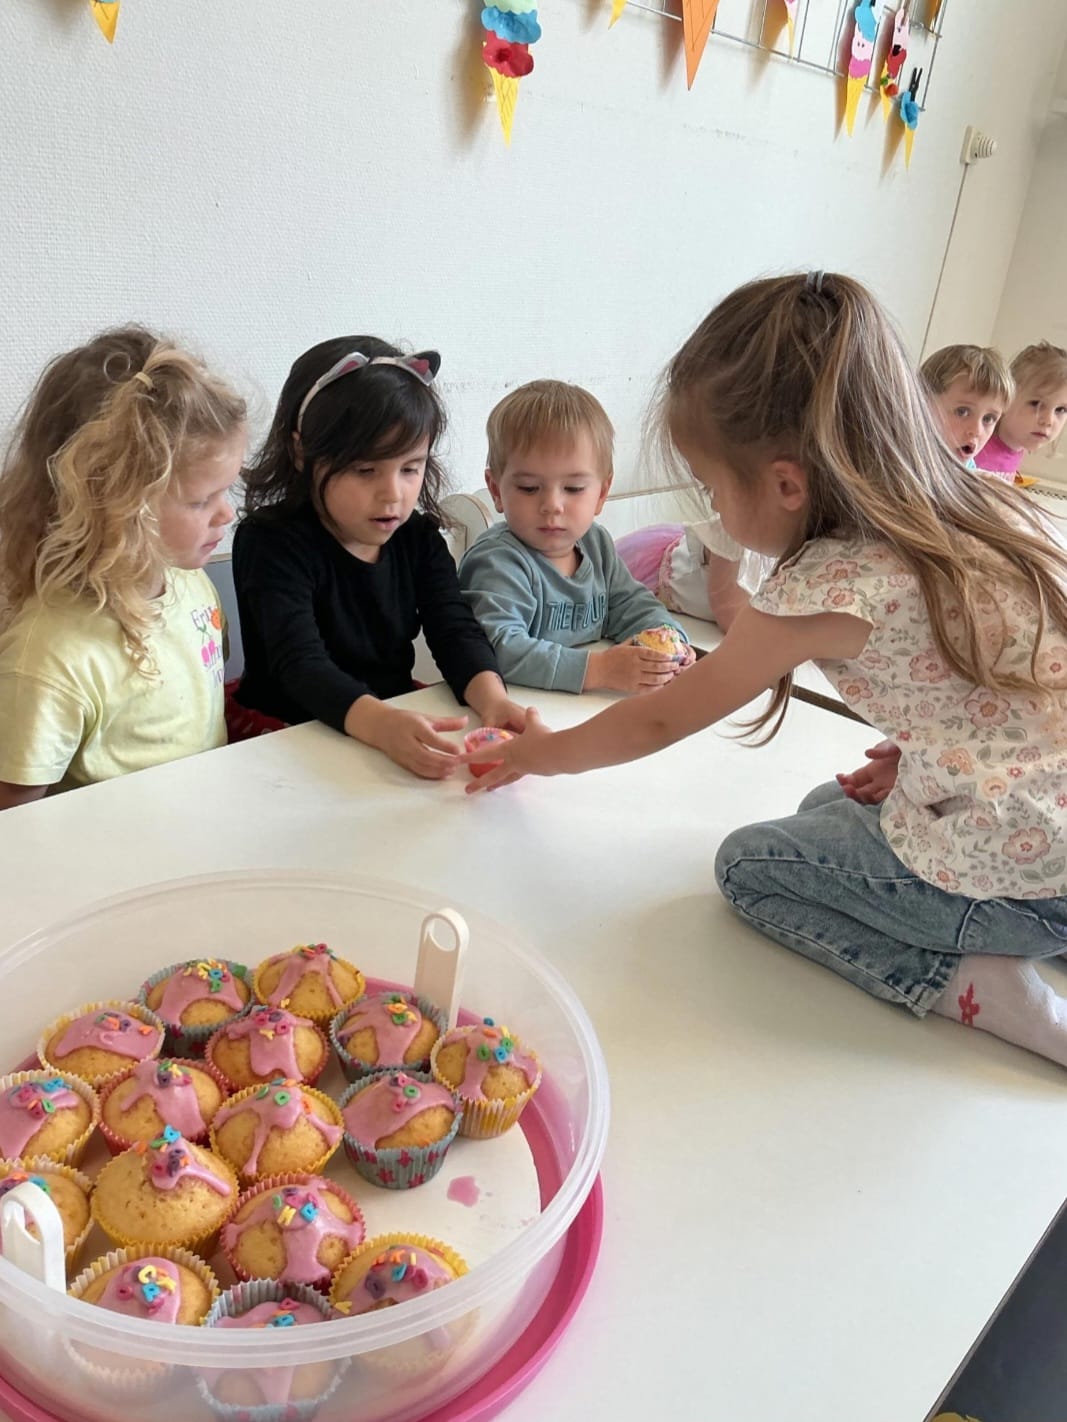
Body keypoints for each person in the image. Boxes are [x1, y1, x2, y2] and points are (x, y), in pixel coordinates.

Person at [467, 272, 1067, 1072]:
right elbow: (1018, 689)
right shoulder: (986, 506)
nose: (711, 509)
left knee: (749, 868)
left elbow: (659, 717)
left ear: (785, 483)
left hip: (1019, 855)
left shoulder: (827, 583)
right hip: (1045, 826)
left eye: (711, 487)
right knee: (824, 804)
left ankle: (972, 982)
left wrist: (534, 753)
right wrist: (930, 752)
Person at [231, 337, 524, 780]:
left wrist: (494, 702)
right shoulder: (269, 542)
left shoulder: (418, 538)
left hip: (386, 714)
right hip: (289, 734)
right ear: (301, 453)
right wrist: (382, 725)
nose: (393, 494)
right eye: (365, 470)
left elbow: (454, 630)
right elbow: (300, 665)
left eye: (410, 468)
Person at [0, 327, 245, 812]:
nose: (227, 514)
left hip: (204, 823)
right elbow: (15, 818)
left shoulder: (190, 581)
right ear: (114, 505)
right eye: (201, 500)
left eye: (226, 490)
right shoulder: (50, 656)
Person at [458, 380, 693, 692]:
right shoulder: (496, 562)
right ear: (496, 490)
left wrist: (669, 637)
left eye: (573, 488)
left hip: (584, 710)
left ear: (601, 494)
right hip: (517, 709)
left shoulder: (597, 545)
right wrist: (599, 670)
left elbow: (631, 604)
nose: (552, 505)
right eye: (529, 488)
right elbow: (498, 648)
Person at [975, 341, 1067, 480]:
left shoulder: (1017, 446)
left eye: (1060, 409)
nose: (1048, 421)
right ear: (1007, 398)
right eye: (1035, 403)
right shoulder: (977, 448)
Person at [919, 343, 1012, 471]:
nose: (977, 431)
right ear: (922, 404)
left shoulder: (968, 467)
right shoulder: (905, 461)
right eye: (962, 411)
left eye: (988, 419)